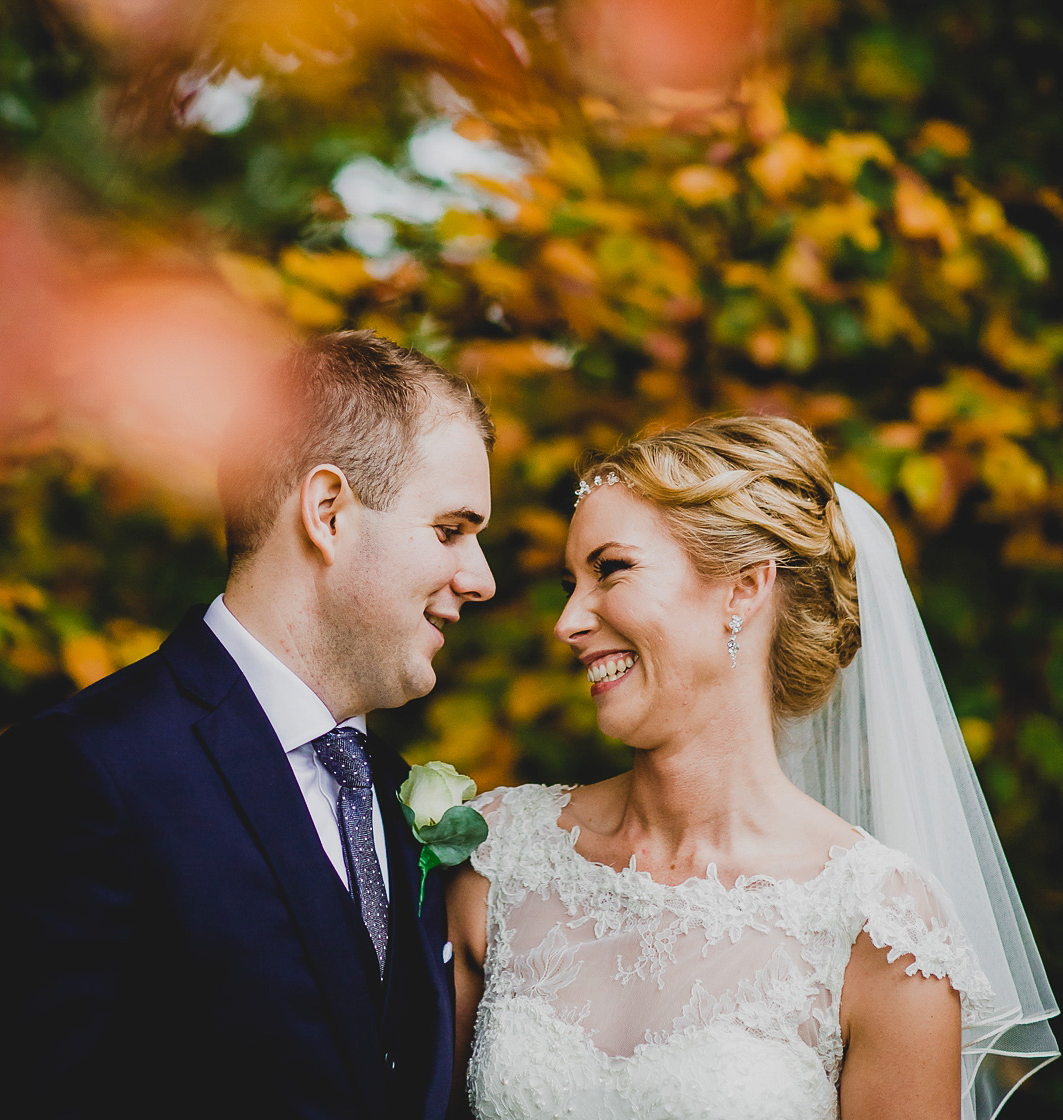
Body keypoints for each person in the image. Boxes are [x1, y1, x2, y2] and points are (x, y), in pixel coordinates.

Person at [0, 329, 496, 1120]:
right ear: (328, 512)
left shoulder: (398, 794)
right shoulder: (85, 775)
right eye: (451, 530)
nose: (482, 579)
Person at [448, 414, 1058, 1120]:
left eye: (610, 570)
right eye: (569, 583)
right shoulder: (499, 857)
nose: (569, 621)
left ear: (744, 588)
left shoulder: (879, 926)